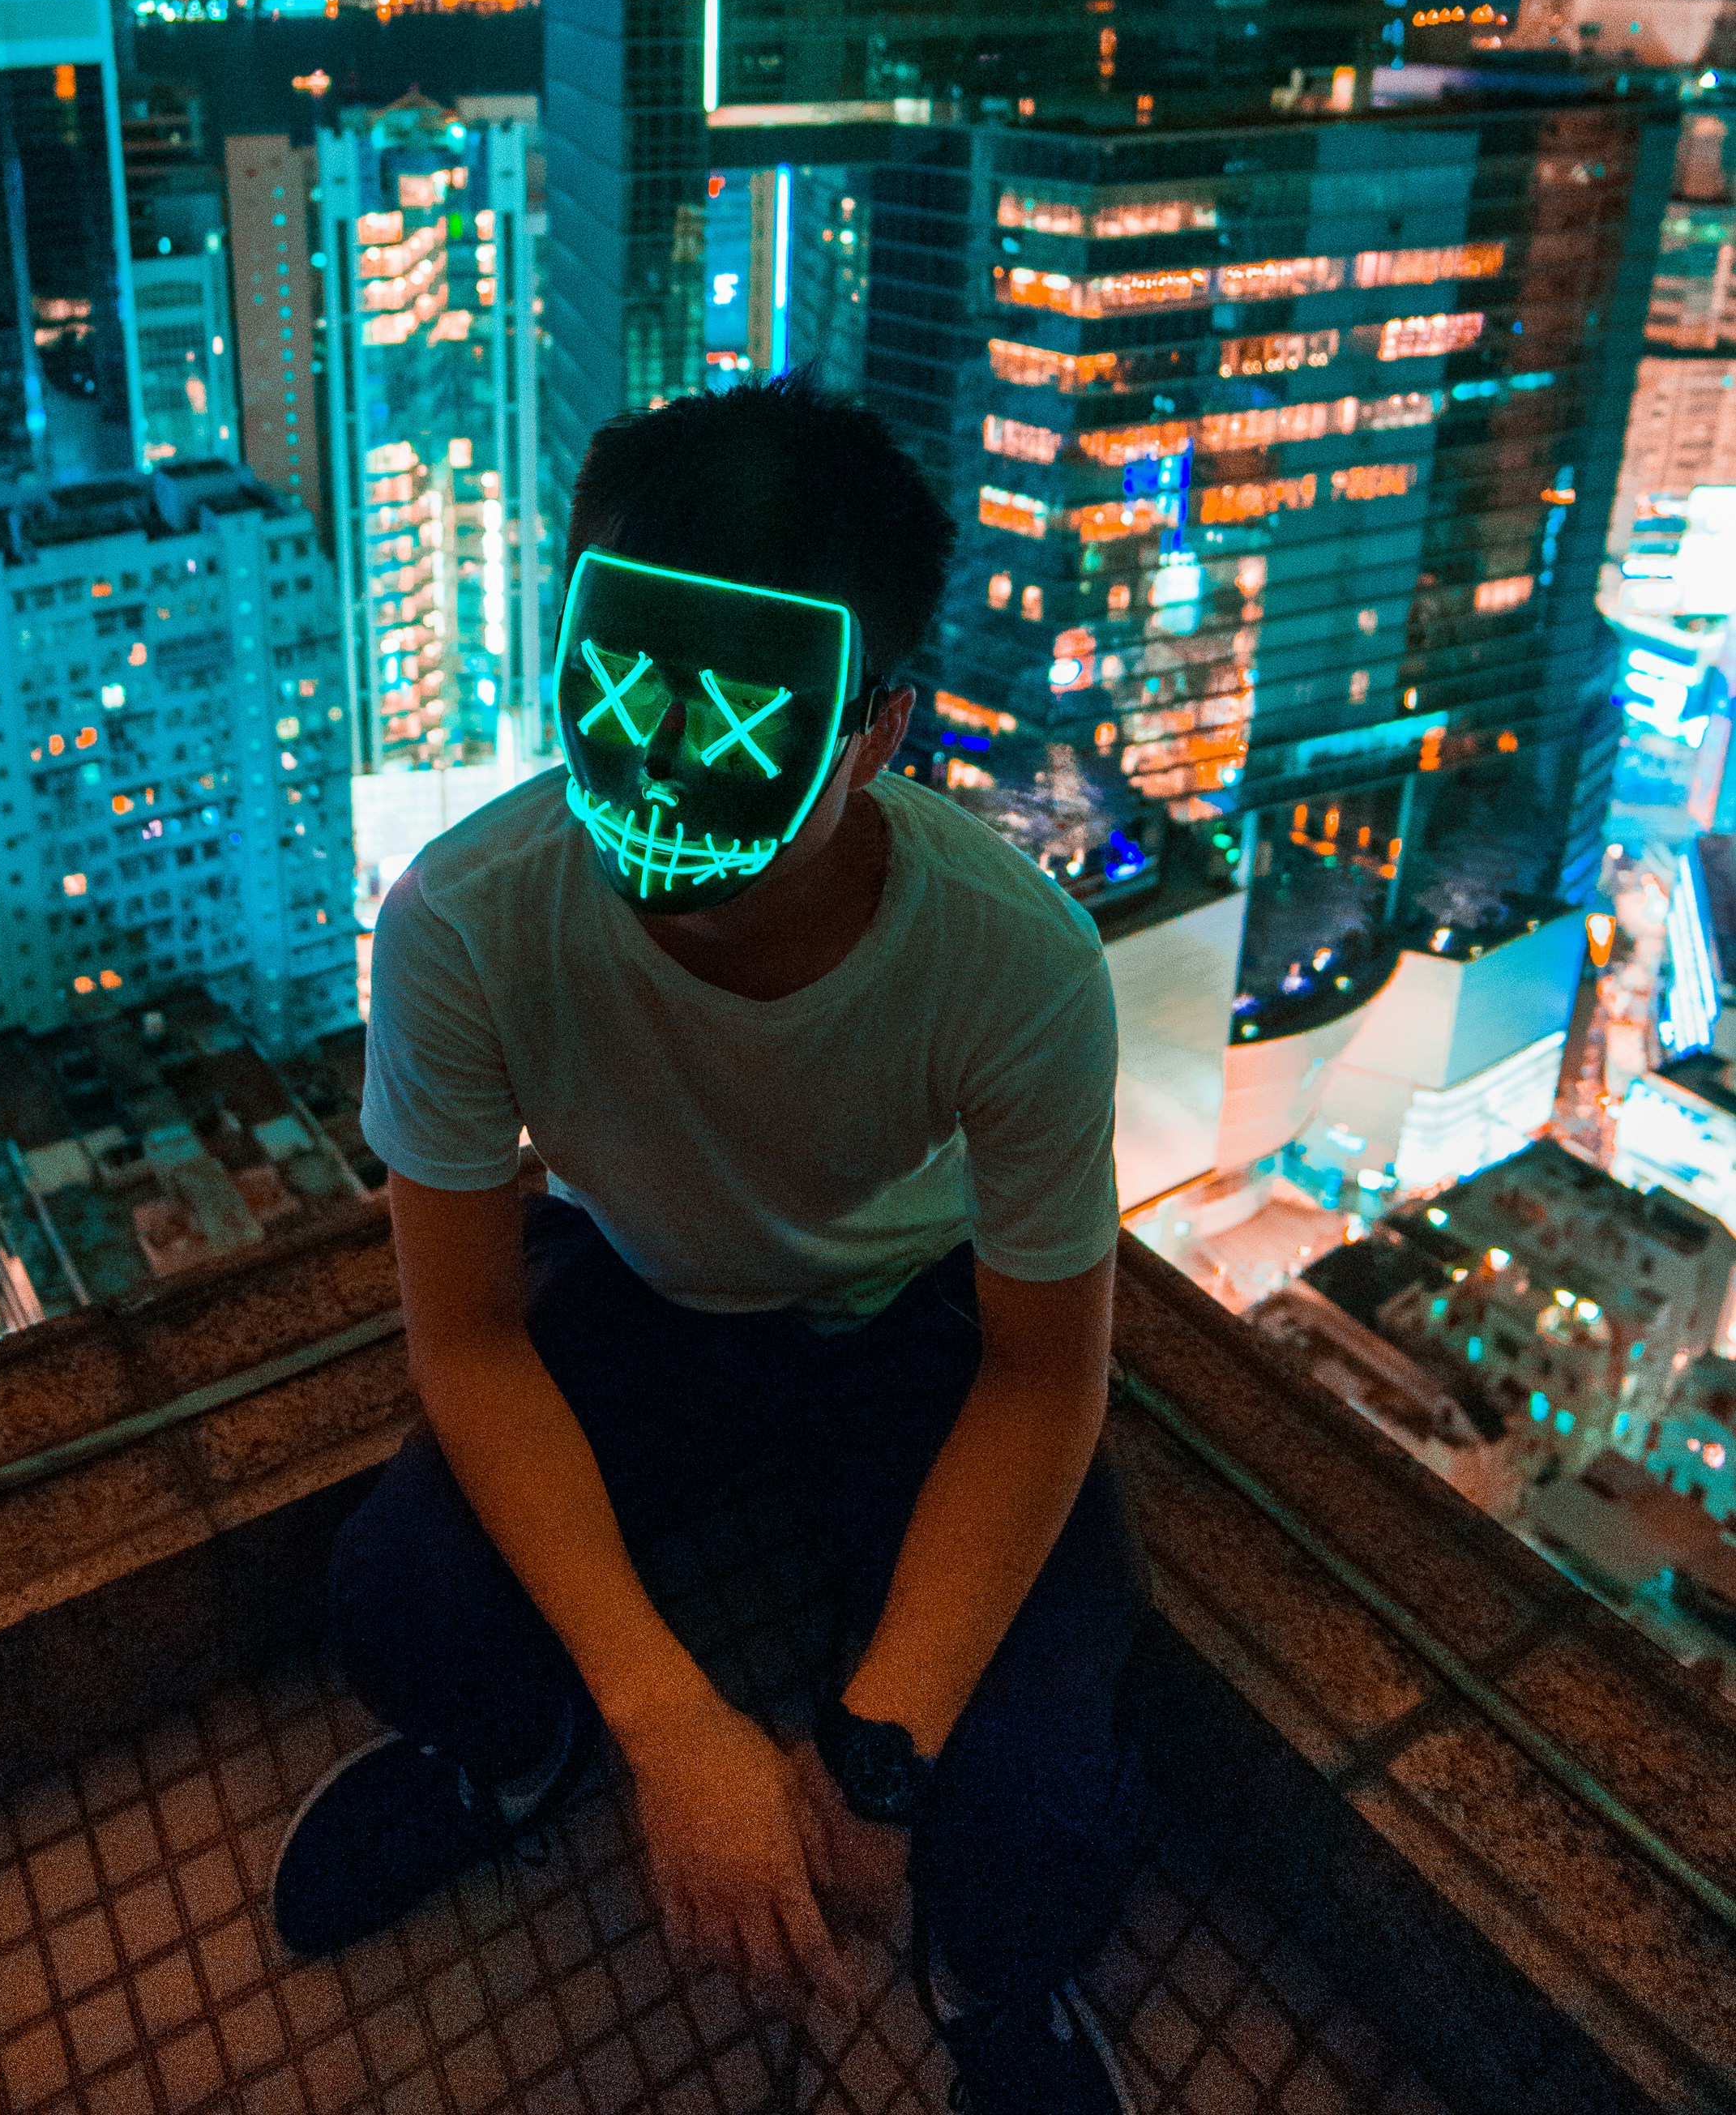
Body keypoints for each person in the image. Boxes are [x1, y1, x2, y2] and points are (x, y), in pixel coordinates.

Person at [272, 374, 1149, 2114]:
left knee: (1042, 1807)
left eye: (738, 721)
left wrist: (879, 1745)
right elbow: (466, 1334)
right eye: (613, 687)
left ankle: (986, 1974)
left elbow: (1045, 1374)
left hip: (917, 1321)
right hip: (646, 1289)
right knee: (399, 1602)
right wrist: (666, 1724)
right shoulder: (462, 919)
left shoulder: (1015, 963)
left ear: (879, 730)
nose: (659, 769)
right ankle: (518, 1762)